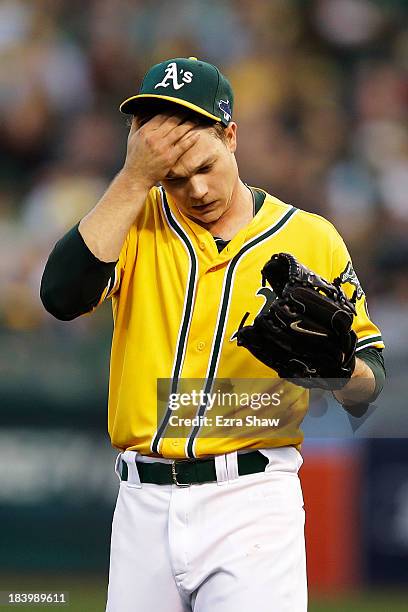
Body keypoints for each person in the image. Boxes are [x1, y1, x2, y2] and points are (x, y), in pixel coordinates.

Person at [40, 57, 385, 611]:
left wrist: (338, 369)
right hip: (142, 501)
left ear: (231, 136)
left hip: (253, 497)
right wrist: (133, 180)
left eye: (205, 165)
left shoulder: (312, 238)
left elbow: (369, 389)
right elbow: (59, 296)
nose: (197, 188)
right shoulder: (134, 220)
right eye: (174, 176)